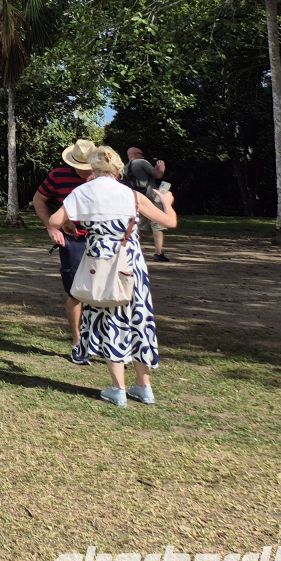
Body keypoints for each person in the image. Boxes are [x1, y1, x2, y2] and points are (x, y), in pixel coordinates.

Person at [49, 145, 178, 406]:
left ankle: (118, 389)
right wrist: (168, 202)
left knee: (109, 320)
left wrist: (68, 225)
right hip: (131, 263)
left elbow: (54, 220)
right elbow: (169, 222)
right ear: (118, 169)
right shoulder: (131, 195)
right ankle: (144, 387)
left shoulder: (81, 192)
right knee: (137, 319)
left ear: (91, 169)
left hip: (99, 263)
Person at [31, 138, 99, 348]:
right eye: (81, 168)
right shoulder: (58, 175)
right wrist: (51, 227)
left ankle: (100, 339)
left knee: (102, 292)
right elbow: (38, 200)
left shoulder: (104, 177)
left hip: (102, 240)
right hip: (73, 240)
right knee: (76, 291)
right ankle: (78, 340)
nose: (86, 172)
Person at [122, 146, 172, 261]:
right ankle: (158, 253)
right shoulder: (141, 162)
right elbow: (157, 174)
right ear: (136, 154)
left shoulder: (125, 167)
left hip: (137, 199)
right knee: (157, 224)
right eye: (141, 153)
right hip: (152, 198)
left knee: (139, 225)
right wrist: (161, 168)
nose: (143, 155)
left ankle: (132, 249)